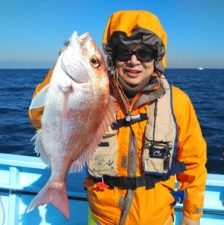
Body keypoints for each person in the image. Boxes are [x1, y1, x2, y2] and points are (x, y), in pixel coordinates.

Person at [29, 10, 207, 225]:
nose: (133, 61)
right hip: (101, 219)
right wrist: (59, 70)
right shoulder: (94, 93)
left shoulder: (178, 102)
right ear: (113, 57)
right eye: (124, 53)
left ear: (157, 58)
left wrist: (191, 215)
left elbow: (194, 163)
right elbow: (38, 117)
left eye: (144, 53)